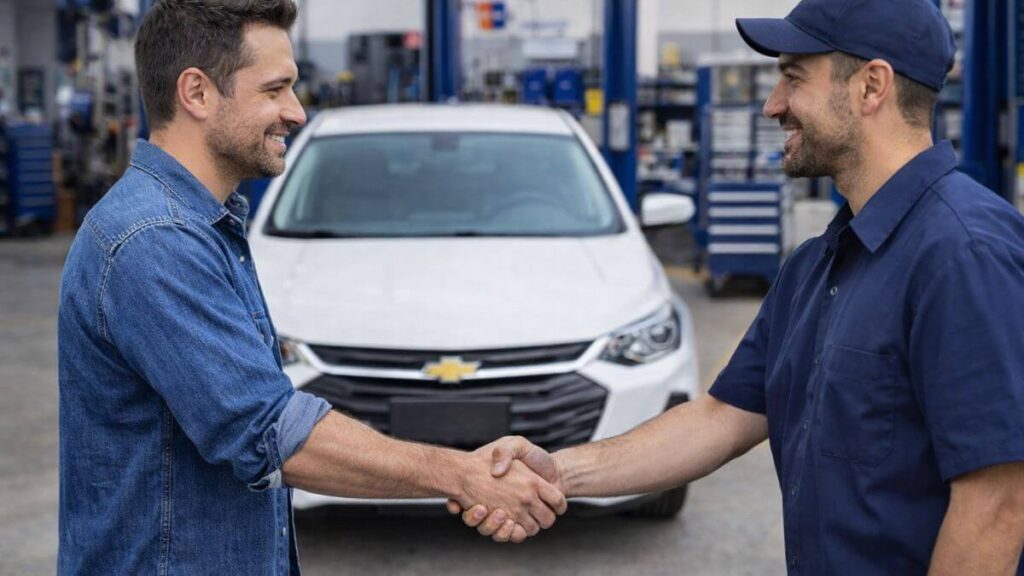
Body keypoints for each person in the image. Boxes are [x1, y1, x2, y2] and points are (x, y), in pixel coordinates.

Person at [454, 0, 1024, 573]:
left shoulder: (963, 254)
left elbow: (998, 504)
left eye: (793, 78)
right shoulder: (817, 265)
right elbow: (720, 418)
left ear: (871, 87)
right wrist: (560, 472)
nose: (773, 105)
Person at [56, 1, 564, 573]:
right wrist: (464, 475)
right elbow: (268, 431)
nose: (295, 113)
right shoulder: (155, 239)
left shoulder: (199, 226)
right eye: (275, 89)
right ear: (196, 93)